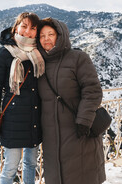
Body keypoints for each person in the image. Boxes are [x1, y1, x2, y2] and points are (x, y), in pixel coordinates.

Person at [37, 17, 106, 184]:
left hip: (78, 131)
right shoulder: (38, 63)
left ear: (60, 36)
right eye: (42, 35)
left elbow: (92, 91)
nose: (46, 39)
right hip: (51, 137)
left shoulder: (78, 58)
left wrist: (83, 120)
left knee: (82, 175)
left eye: (50, 34)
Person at [0, 12, 45, 184]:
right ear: (16, 28)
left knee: (30, 164)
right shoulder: (5, 53)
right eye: (24, 26)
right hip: (13, 121)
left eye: (33, 28)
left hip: (34, 118)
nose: (28, 31)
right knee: (10, 168)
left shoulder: (38, 54)